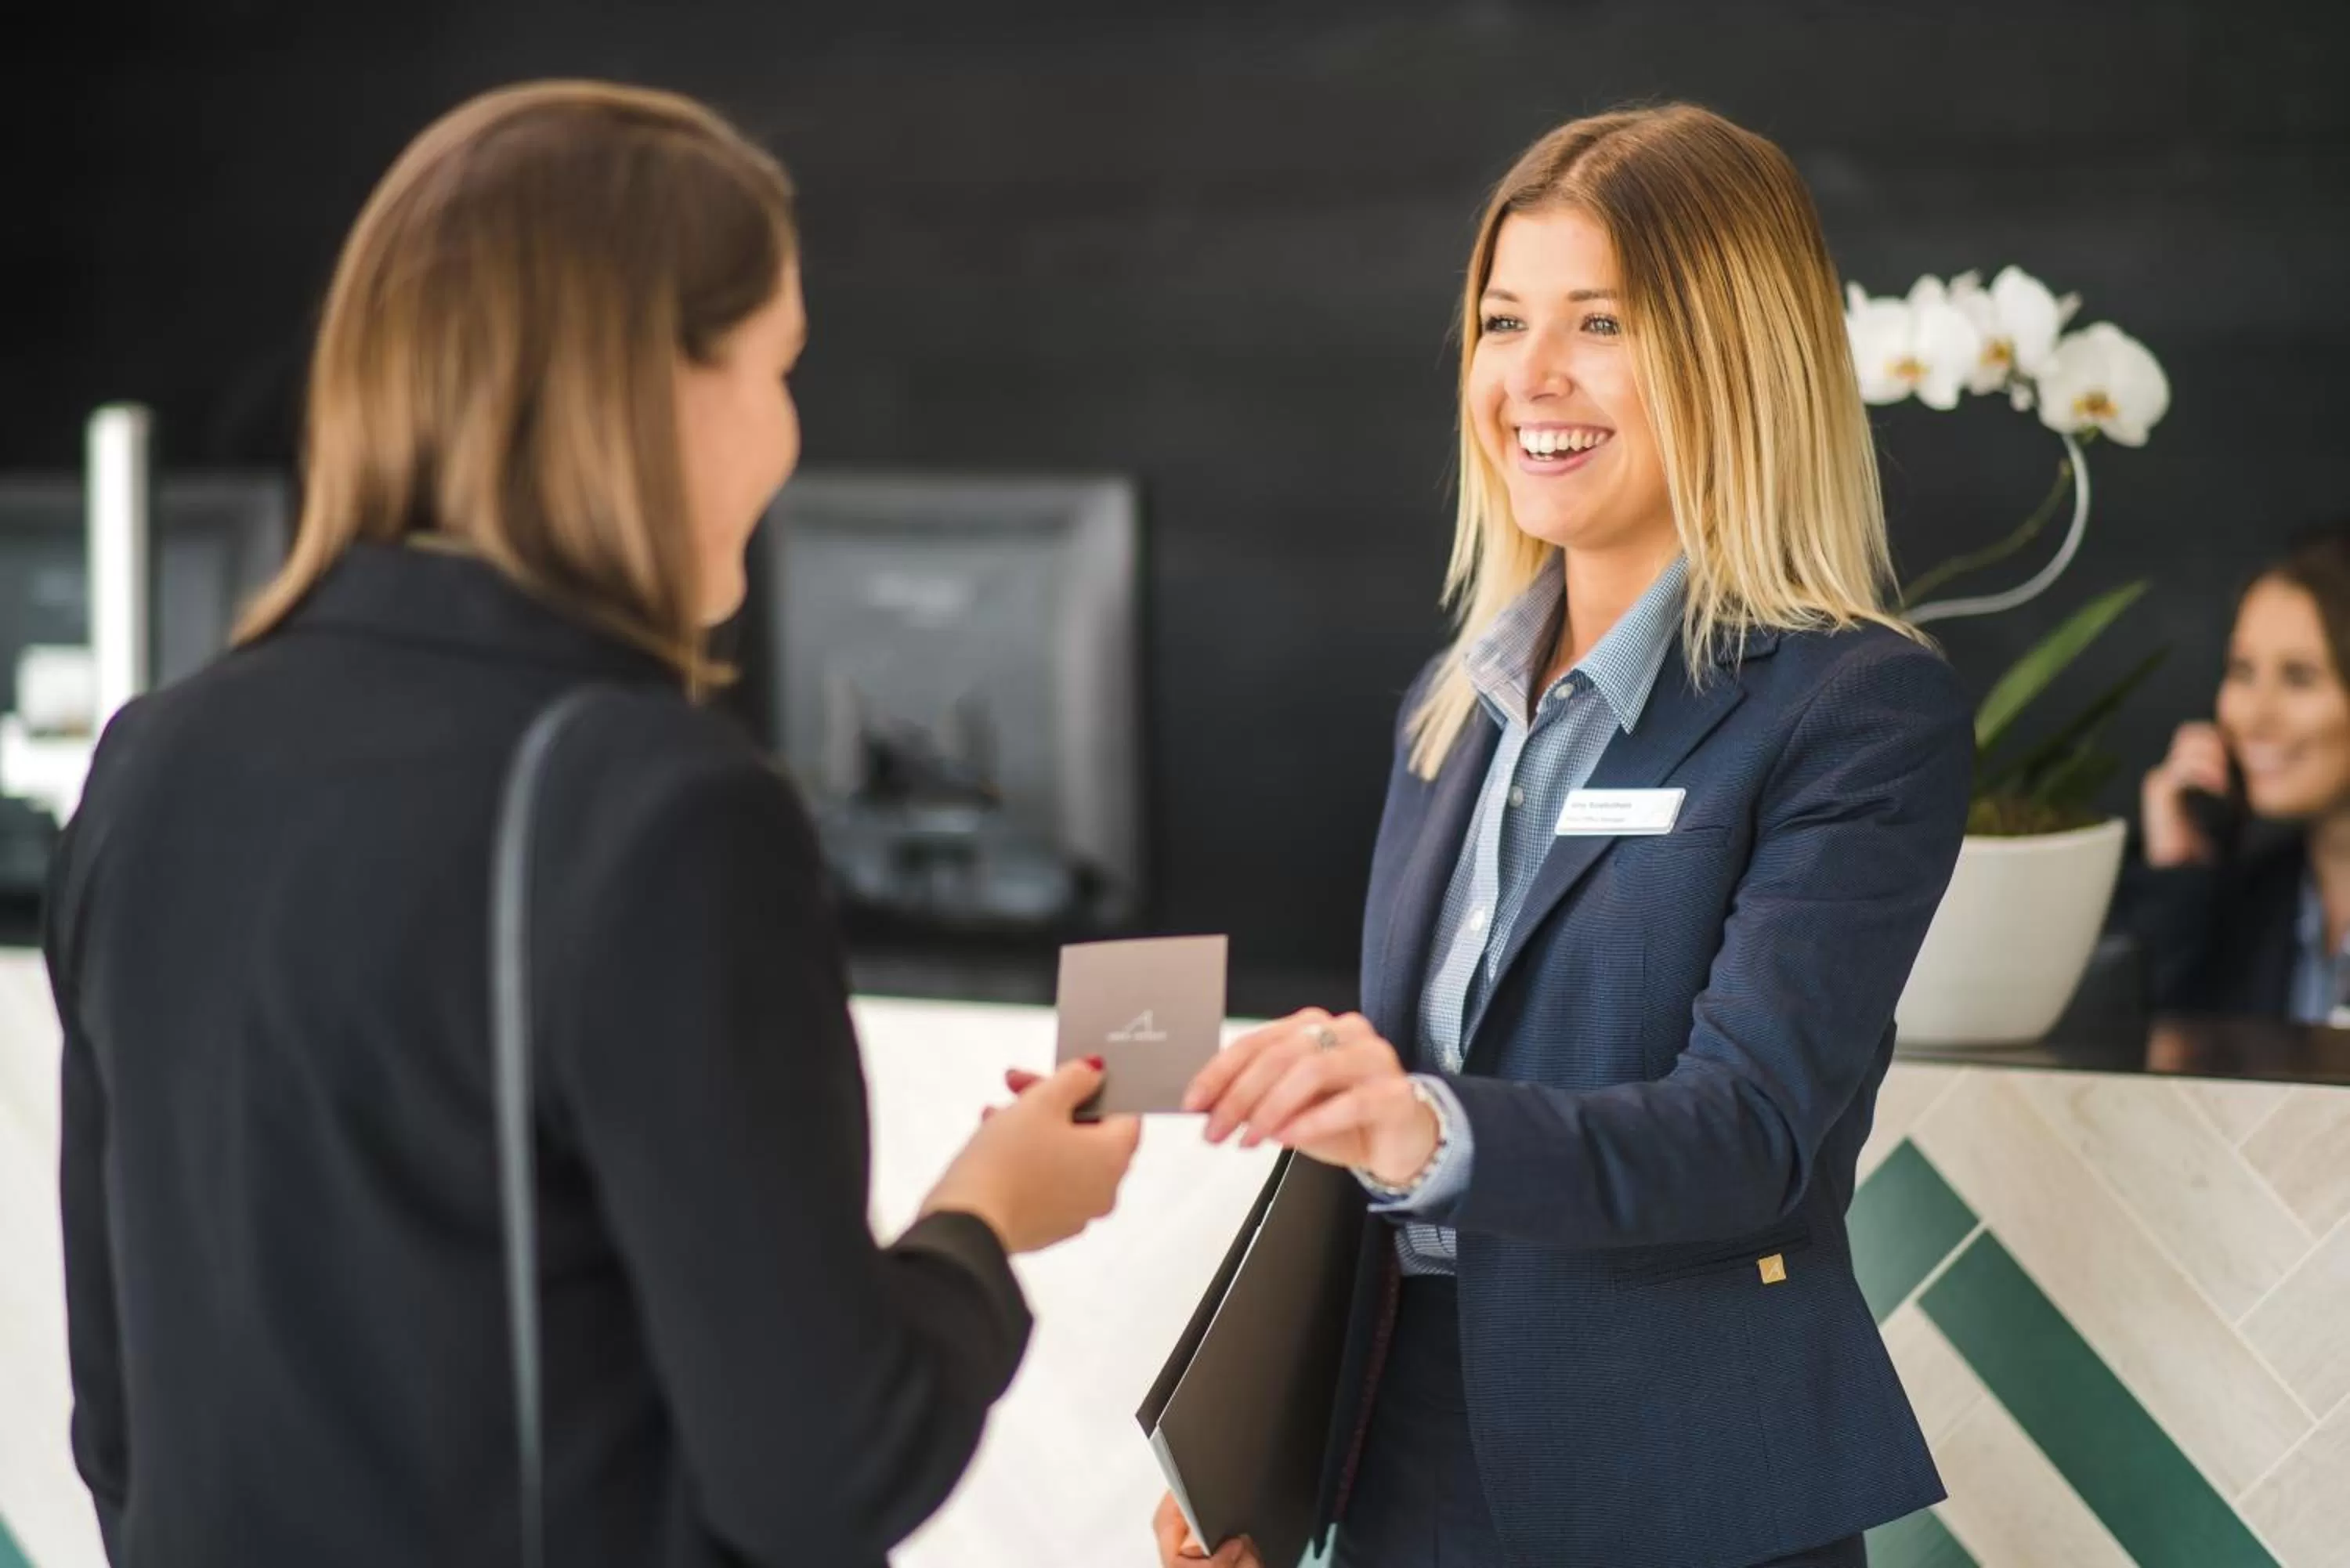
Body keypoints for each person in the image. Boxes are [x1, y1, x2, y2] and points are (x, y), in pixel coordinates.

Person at [48, 81, 1139, 1568]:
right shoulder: (662, 810)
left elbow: (119, 1423)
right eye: (778, 368)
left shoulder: (151, 764)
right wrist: (987, 1215)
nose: (787, 435)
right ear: (656, 387)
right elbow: (826, 1470)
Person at [1149, 103, 1972, 1568]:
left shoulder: (1854, 708)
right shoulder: (1451, 707)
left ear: (1736, 356)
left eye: (1600, 321)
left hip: (1676, 1490)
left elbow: (1750, 1133)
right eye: (1501, 320)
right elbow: (1400, 1169)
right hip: (1404, 1465)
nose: (1531, 376)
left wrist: (1424, 1120)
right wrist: (1259, 1460)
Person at [2128, 523, 2350, 1019]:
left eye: (2300, 677)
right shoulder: (2258, 904)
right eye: (2243, 672)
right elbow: (2170, 1049)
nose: (2253, 715)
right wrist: (2180, 878)